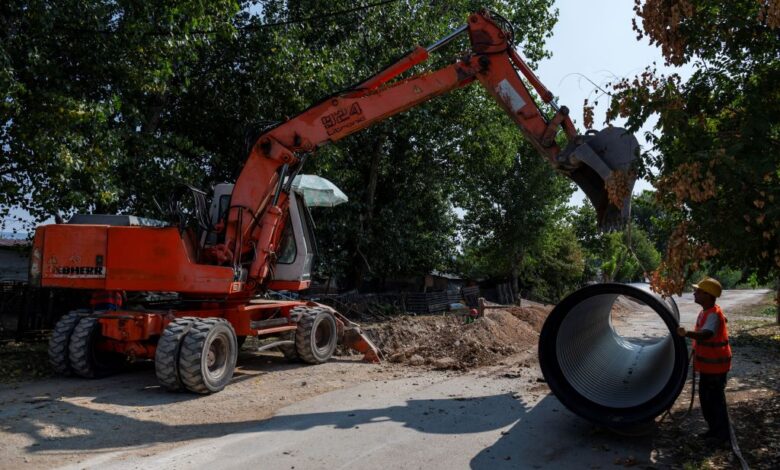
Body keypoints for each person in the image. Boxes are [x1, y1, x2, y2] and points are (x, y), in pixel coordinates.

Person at [676, 277, 732, 445]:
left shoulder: (713, 314)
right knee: (707, 400)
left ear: (707, 295)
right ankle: (714, 431)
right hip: (709, 367)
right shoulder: (708, 311)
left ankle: (721, 435)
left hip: (716, 368)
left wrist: (687, 333)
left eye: (698, 291)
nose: (694, 293)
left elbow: (707, 334)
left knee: (714, 401)